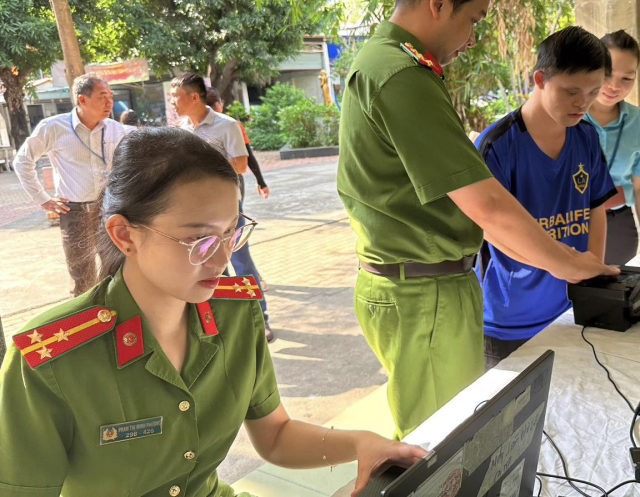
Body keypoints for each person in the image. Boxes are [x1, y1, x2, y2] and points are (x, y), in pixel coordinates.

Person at [0, 127, 424, 497]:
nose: (222, 260)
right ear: (125, 235)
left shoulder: (235, 314)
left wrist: (361, 444)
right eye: (199, 240)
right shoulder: (51, 361)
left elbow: (275, 435)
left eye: (231, 233)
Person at [337, 0, 617, 439]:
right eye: (474, 19)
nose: (471, 38)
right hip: (423, 291)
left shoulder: (389, 63)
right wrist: (573, 265)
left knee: (454, 434)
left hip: (431, 285)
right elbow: (487, 206)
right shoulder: (400, 74)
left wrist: (572, 267)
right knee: (438, 445)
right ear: (440, 0)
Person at [476, 26, 617, 368]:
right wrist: (564, 265)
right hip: (509, 321)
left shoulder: (586, 136)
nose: (583, 103)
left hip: (568, 310)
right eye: (571, 91)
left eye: (593, 91)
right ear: (540, 79)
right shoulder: (497, 146)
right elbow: (491, 229)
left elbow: (595, 208)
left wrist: (589, 276)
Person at [171, 74, 274, 342]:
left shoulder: (226, 125)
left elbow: (240, 165)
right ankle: (223, 320)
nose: (172, 102)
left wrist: (203, 168)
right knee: (210, 266)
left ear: (194, 97)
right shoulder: (182, 129)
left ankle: (260, 318)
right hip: (195, 210)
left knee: (240, 262)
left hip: (226, 208)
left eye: (176, 97)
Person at [13, 74, 134, 296]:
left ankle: (116, 311)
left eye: (111, 96)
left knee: (116, 269)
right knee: (83, 277)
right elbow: (22, 161)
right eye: (102, 96)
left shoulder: (115, 129)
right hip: (75, 212)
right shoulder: (54, 127)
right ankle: (87, 315)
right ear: (82, 100)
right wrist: (43, 199)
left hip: (108, 210)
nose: (109, 102)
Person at [586, 30, 640, 265]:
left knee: (617, 285)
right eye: (607, 74)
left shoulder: (639, 122)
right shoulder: (568, 117)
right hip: (569, 222)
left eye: (626, 79)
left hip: (618, 226)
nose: (614, 86)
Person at [206, 89, 270, 198]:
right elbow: (248, 156)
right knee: (235, 208)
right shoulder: (231, 124)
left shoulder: (191, 126)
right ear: (218, 104)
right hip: (231, 178)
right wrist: (261, 181)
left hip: (205, 181)